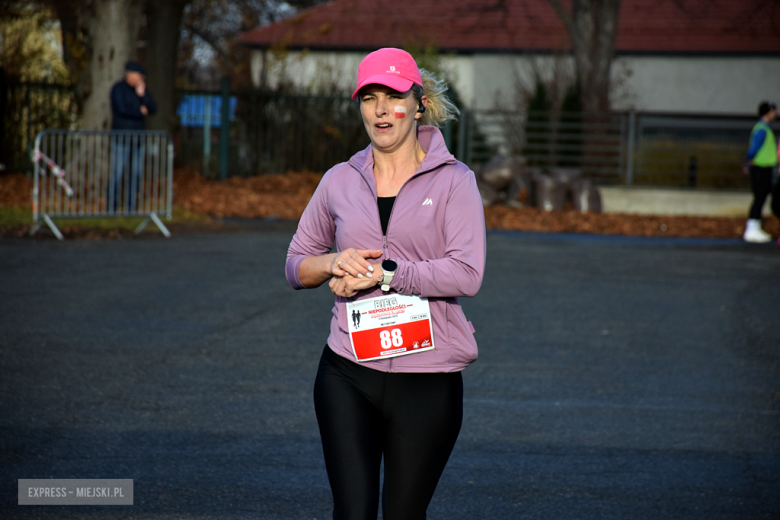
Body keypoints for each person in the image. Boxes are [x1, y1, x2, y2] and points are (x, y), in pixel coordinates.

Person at [285, 48, 486, 520]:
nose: (380, 109)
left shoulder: (456, 181)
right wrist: (335, 262)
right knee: (352, 512)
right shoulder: (339, 180)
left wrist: (388, 273)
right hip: (347, 371)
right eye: (369, 97)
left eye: (393, 96)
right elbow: (295, 265)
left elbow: (467, 273)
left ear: (418, 103)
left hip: (428, 380)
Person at [109, 61, 157, 212]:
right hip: (122, 137)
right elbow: (122, 109)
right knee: (118, 172)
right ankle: (111, 206)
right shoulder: (118, 89)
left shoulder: (141, 90)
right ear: (130, 74)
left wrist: (142, 97)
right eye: (139, 76)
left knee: (136, 173)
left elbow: (153, 108)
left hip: (138, 138)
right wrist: (139, 112)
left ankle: (131, 207)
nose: (142, 79)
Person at [742, 101, 778, 243]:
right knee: (759, 197)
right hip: (761, 167)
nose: (775, 114)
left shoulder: (764, 128)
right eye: (773, 111)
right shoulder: (762, 129)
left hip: (764, 167)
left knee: (761, 197)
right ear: (768, 112)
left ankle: (754, 227)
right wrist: (748, 161)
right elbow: (753, 148)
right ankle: (752, 228)